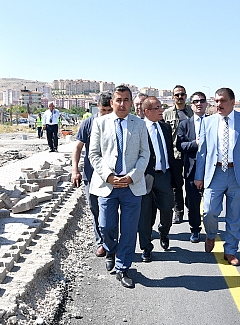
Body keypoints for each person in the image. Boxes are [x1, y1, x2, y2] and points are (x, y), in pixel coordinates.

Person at [89, 85, 150, 288]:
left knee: (129, 229)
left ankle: (123, 267)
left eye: (126, 100)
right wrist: (109, 176)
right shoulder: (100, 123)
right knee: (106, 225)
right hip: (108, 185)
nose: (122, 104)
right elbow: (94, 154)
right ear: (112, 102)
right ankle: (110, 249)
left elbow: (144, 154)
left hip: (131, 186)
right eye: (118, 100)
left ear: (131, 103)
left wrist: (132, 177)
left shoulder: (139, 125)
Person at [194, 88, 240, 266]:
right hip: (214, 173)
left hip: (236, 174)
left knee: (234, 216)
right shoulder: (208, 122)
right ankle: (210, 235)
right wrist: (198, 175)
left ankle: (230, 250)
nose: (219, 104)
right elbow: (202, 153)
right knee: (209, 211)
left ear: (233, 102)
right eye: (216, 101)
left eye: (223, 101)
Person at [72, 92, 113, 258]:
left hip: (112, 176)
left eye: (109, 110)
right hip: (92, 176)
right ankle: (101, 243)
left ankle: (112, 242)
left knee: (111, 211)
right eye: (103, 110)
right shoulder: (88, 123)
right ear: (98, 108)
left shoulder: (116, 123)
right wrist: (75, 170)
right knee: (95, 209)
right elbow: (77, 148)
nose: (106, 114)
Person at [138, 96, 175, 262]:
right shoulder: (139, 129)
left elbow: (170, 153)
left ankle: (164, 231)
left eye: (161, 107)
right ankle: (146, 248)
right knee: (145, 215)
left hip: (164, 176)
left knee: (167, 209)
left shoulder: (165, 127)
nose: (161, 110)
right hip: (145, 178)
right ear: (147, 112)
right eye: (157, 108)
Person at [177, 91, 208, 243]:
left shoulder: (213, 122)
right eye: (196, 101)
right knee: (193, 202)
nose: (199, 104)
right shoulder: (184, 124)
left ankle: (211, 228)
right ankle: (195, 229)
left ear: (206, 104)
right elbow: (179, 145)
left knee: (210, 202)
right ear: (191, 105)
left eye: (202, 101)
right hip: (191, 169)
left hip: (211, 169)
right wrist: (195, 143)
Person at [163, 85, 191, 224]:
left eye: (182, 94)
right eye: (177, 95)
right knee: (176, 185)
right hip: (174, 154)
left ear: (186, 96)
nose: (180, 97)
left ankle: (190, 206)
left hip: (191, 154)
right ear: (173, 97)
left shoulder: (192, 112)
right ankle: (178, 212)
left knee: (191, 183)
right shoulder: (166, 114)